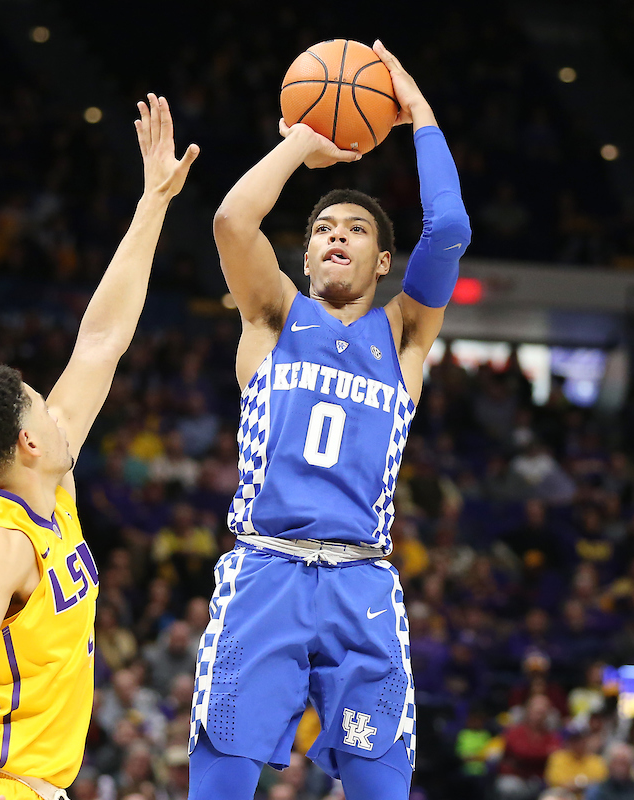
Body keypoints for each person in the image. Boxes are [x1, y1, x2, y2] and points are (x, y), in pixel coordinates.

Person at [190, 41, 471, 800]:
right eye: (321, 228)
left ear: (383, 263)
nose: (336, 235)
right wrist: (301, 143)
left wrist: (418, 112)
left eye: (354, 229)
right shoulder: (273, 316)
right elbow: (230, 220)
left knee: (382, 786)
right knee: (219, 784)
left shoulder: (405, 335)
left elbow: (447, 230)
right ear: (307, 257)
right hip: (265, 571)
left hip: (363, 586)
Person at [0, 95, 198, 800]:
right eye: (42, 406)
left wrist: (154, 202)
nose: (57, 407)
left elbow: (102, 341)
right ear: (28, 441)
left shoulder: (50, 486)